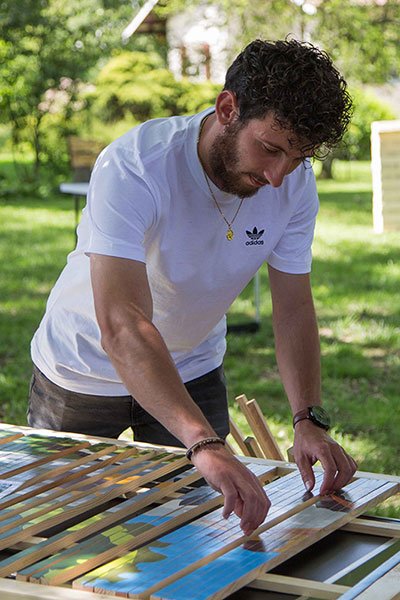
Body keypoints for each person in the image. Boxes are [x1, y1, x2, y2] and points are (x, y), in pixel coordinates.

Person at [29, 39, 357, 536]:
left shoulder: (293, 181)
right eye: (269, 149)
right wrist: (204, 443)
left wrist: (307, 417)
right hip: (84, 367)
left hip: (192, 367)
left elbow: (293, 306)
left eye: (297, 157)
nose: (277, 176)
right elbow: (123, 324)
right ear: (228, 108)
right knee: (60, 532)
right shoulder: (136, 165)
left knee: (194, 533)